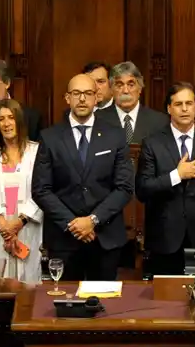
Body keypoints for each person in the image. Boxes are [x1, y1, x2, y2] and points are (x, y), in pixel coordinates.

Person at [32, 74, 133, 281]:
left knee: (105, 305)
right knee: (64, 305)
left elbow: (124, 187)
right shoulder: (50, 137)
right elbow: (41, 189)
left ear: (97, 98)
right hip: (64, 240)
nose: (82, 99)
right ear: (67, 98)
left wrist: (93, 220)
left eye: (88, 94)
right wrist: (74, 224)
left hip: (105, 238)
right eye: (76, 94)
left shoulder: (115, 135)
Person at [136, 82, 195, 275]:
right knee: (167, 300)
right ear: (169, 109)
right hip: (164, 239)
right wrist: (177, 175)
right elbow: (143, 189)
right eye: (178, 104)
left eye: (189, 103)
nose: (184, 109)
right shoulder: (152, 144)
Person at [0, 99, 43, 283]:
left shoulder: (36, 151)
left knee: (28, 284)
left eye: (11, 118)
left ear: (19, 120)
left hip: (27, 225)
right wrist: (4, 225)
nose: (6, 124)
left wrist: (19, 222)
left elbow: (42, 190)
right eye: (1, 119)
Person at [95, 61, 169, 145]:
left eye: (131, 85)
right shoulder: (97, 119)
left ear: (140, 88)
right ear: (111, 89)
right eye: (119, 85)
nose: (125, 91)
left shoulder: (159, 122)